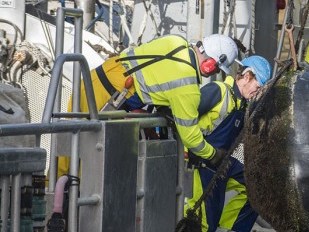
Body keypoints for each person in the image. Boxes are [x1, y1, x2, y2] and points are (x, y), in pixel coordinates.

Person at [57, 34, 239, 179]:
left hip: (93, 80)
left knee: (66, 154)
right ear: (210, 64)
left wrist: (164, 103)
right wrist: (213, 155)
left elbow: (154, 73)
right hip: (107, 99)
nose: (213, 74)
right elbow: (191, 138)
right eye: (216, 69)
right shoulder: (187, 86)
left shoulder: (175, 41)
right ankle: (65, 214)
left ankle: (49, 204)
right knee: (82, 166)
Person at [184, 55, 275, 232]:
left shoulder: (242, 103)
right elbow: (184, 117)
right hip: (203, 161)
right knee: (205, 226)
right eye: (257, 87)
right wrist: (187, 151)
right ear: (247, 76)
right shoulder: (217, 91)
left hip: (223, 160)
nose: (256, 93)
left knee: (258, 185)